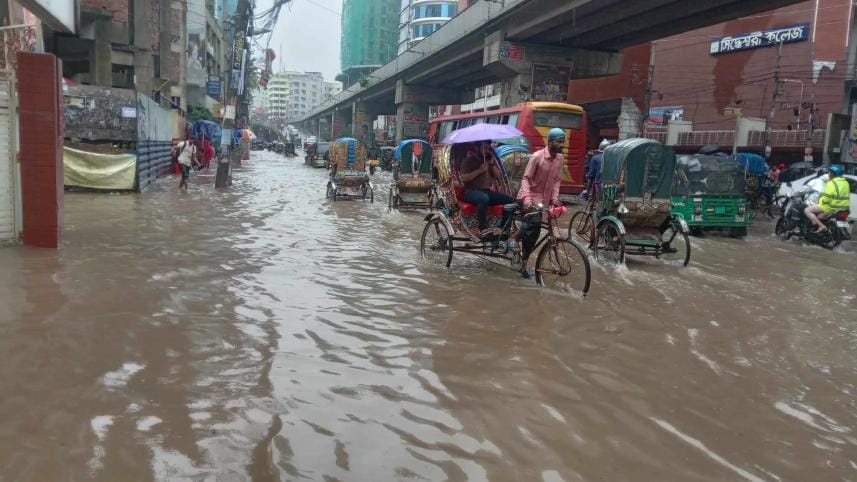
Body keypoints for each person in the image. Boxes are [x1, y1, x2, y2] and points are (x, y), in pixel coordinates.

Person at [513, 128, 567, 278]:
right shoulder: (537, 157)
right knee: (533, 226)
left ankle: (523, 260)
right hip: (528, 197)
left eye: (563, 142)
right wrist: (527, 200)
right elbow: (526, 178)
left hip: (544, 201)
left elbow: (557, 180)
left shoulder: (560, 159)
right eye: (558, 141)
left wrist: (555, 198)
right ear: (549, 142)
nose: (561, 145)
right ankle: (514, 240)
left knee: (542, 230)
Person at [459, 141, 515, 237]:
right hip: (471, 191)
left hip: (486, 191)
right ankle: (483, 228)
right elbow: (463, 178)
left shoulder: (487, 161)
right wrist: (479, 170)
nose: (486, 151)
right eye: (484, 148)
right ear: (477, 148)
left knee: (509, 200)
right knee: (483, 198)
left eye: (488, 148)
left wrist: (492, 165)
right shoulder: (468, 161)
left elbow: (499, 176)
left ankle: (503, 228)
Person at [804, 164, 850, 232]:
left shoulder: (832, 183)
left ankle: (821, 226)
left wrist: (820, 201)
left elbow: (827, 198)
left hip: (832, 207)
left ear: (833, 174)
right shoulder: (846, 183)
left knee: (807, 210)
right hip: (844, 207)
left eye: (829, 172)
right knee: (820, 216)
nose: (828, 174)